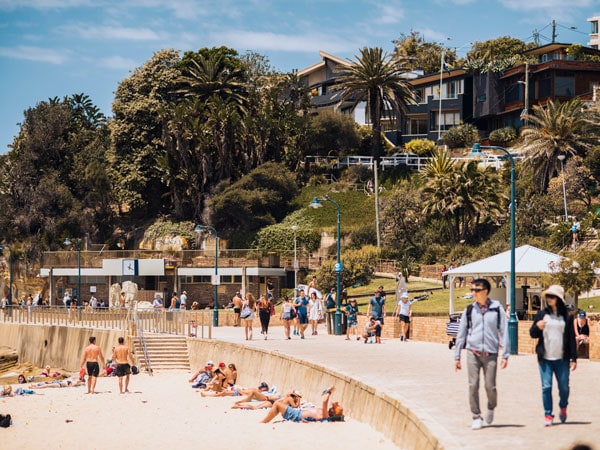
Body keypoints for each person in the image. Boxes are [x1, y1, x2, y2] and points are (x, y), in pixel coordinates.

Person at [454, 278, 509, 430]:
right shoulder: (470, 310)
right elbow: (462, 333)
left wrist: (505, 354)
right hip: (473, 351)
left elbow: (504, 332)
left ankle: (491, 406)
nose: (473, 293)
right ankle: (476, 415)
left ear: (485, 291)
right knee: (473, 385)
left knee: (490, 386)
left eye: (476, 290)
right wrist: (457, 355)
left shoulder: (497, 309)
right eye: (472, 290)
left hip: (491, 352)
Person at [530, 284, 577, 426]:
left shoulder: (567, 316)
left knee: (564, 387)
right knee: (546, 387)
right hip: (545, 358)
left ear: (558, 298)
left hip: (562, 358)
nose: (549, 299)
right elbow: (533, 334)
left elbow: (571, 338)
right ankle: (548, 414)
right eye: (548, 296)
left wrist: (574, 358)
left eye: (552, 296)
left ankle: (563, 406)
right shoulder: (541, 314)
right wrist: (537, 327)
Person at [261, 387, 343, 423]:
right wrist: (334, 405)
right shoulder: (324, 413)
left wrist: (329, 391)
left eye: (337, 407)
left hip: (297, 415)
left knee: (277, 404)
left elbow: (325, 401)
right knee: (277, 404)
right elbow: (329, 403)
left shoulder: (325, 415)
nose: (337, 405)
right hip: (297, 413)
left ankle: (263, 422)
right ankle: (264, 421)